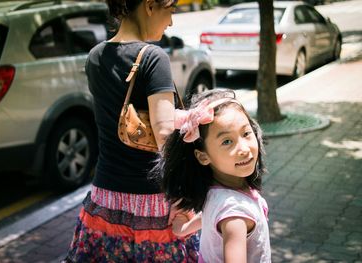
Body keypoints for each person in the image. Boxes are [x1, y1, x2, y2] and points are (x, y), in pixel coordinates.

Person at [64, 0, 199, 262]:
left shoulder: (95, 56)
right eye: (169, 11)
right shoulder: (153, 57)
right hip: (151, 201)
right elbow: (163, 135)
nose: (170, 22)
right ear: (150, 6)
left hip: (105, 198)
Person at [152, 89, 271, 262]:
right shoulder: (235, 216)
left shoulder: (217, 190)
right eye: (227, 142)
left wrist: (185, 227)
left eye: (246, 133)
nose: (244, 149)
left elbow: (211, 215)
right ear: (203, 156)